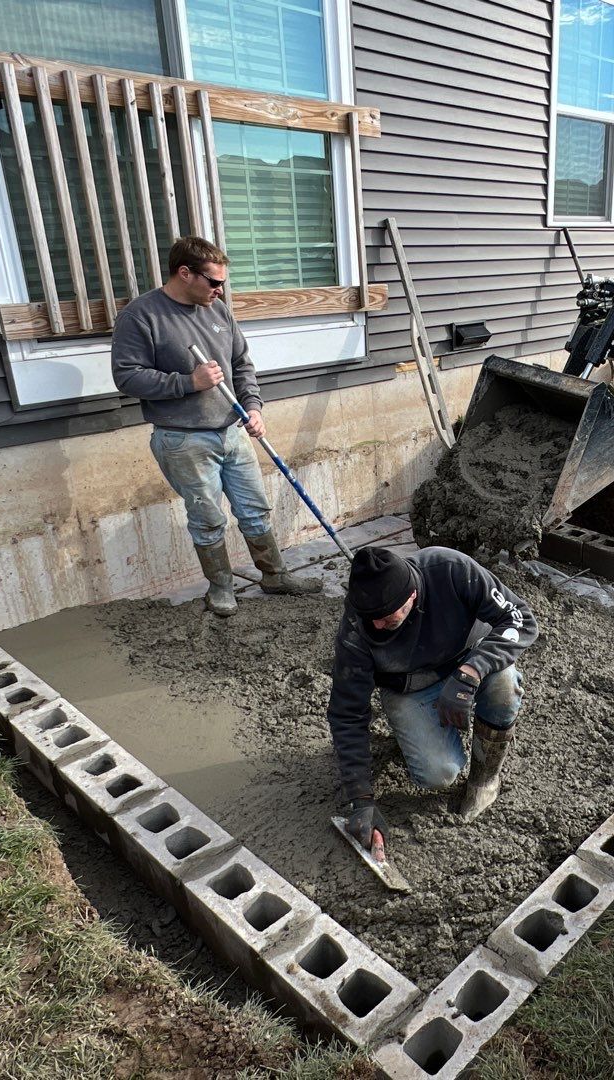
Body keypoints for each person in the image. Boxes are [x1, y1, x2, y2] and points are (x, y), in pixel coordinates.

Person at [111, 236, 315, 617]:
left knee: (254, 509)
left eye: (223, 282)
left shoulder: (218, 311)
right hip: (182, 438)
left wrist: (253, 407)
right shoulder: (141, 315)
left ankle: (274, 575)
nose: (220, 290)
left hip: (232, 430)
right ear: (185, 273)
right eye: (214, 281)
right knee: (207, 518)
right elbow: (126, 377)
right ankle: (221, 587)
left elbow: (242, 364)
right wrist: (188, 382)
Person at [327, 545, 538, 847]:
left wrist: (471, 672)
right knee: (439, 774)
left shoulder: (450, 569)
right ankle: (416, 733)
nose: (377, 625)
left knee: (504, 685)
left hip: (469, 659)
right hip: (410, 687)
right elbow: (347, 714)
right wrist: (361, 801)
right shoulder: (355, 629)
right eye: (370, 618)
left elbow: (521, 619)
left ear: (411, 596)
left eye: (387, 618)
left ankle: (484, 781)